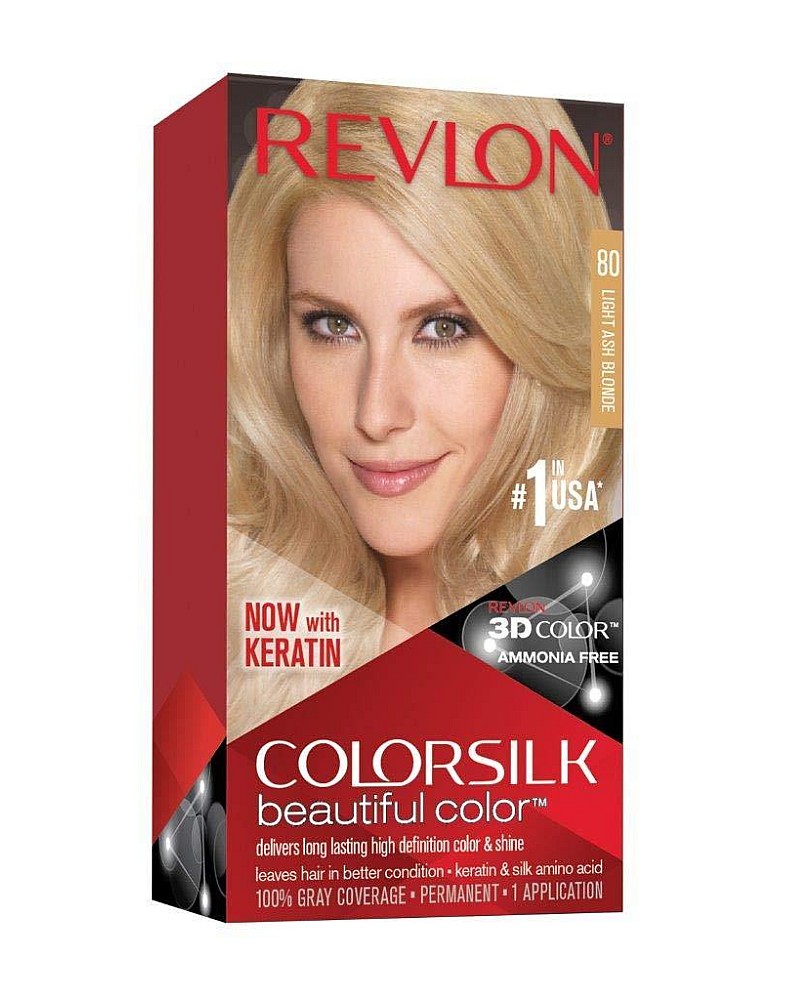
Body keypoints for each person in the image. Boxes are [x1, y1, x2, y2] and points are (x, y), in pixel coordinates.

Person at [226, 80, 621, 736]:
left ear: (538, 339)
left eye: (443, 328)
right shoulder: (210, 632)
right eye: (332, 326)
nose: (376, 414)